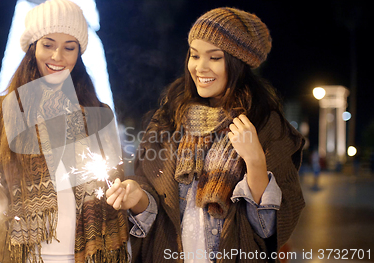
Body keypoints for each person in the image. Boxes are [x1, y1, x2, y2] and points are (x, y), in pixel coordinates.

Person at [106, 7, 305, 263]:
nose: (200, 67)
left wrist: (255, 160)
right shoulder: (168, 120)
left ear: (238, 62)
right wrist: (137, 197)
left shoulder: (264, 124)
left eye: (214, 58)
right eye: (194, 55)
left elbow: (268, 229)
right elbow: (153, 206)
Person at [0, 1, 128, 263]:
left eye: (69, 48)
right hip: (17, 255)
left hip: (84, 255)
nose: (57, 57)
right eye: (48, 45)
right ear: (32, 47)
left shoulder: (98, 115)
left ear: (78, 53)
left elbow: (114, 184)